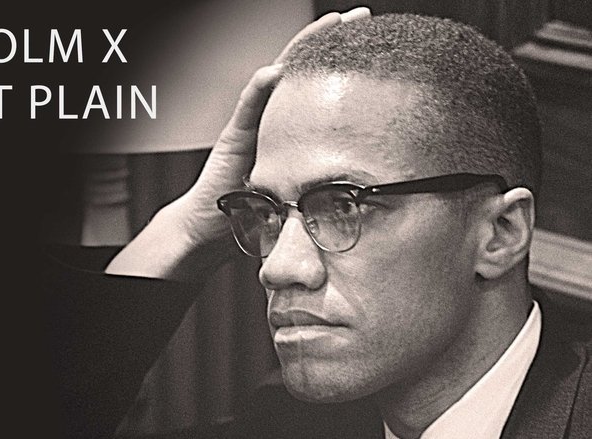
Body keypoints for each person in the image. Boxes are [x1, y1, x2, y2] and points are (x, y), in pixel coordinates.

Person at [45, 8, 592, 439]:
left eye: (343, 206)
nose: (277, 268)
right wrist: (185, 232)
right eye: (266, 212)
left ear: (500, 234)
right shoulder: (287, 424)